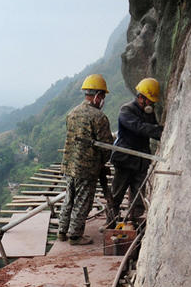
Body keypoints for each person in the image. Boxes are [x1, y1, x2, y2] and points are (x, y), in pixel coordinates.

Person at [57, 74, 114, 244]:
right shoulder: (99, 117)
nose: (103, 100)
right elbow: (106, 146)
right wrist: (102, 163)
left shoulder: (72, 113)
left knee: (69, 198)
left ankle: (62, 231)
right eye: (102, 96)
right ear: (97, 96)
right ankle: (75, 235)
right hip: (87, 168)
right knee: (82, 201)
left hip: (69, 165)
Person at [107, 77, 164, 225]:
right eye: (150, 100)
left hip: (140, 161)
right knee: (117, 193)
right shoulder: (126, 110)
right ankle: (110, 222)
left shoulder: (148, 112)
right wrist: (161, 131)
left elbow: (152, 127)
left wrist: (162, 131)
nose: (151, 104)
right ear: (141, 98)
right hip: (125, 159)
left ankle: (135, 222)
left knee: (138, 194)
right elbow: (140, 128)